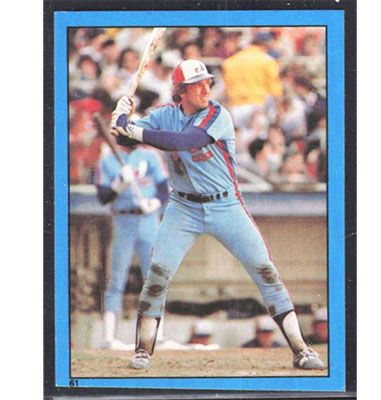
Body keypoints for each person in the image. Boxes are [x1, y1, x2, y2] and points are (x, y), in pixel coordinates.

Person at [110, 59, 324, 370]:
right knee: (157, 274)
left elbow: (186, 141)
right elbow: (125, 139)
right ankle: (142, 350)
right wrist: (121, 118)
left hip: (225, 205)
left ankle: (301, 349)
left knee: (265, 270)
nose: (205, 88)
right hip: (183, 207)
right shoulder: (164, 115)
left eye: (207, 82)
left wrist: (131, 127)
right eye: (197, 85)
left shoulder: (217, 114)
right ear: (181, 91)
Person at [95, 142, 169, 350]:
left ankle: (156, 336)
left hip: (148, 220)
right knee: (116, 279)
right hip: (123, 220)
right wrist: (118, 184)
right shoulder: (107, 159)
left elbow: (164, 189)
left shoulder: (150, 156)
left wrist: (154, 203)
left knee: (154, 278)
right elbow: (102, 197)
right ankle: (109, 337)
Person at [222, 31, 283, 130]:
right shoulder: (267, 61)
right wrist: (279, 111)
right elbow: (276, 90)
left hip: (236, 108)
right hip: (257, 107)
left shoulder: (231, 61)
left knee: (239, 139)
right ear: (265, 44)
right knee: (259, 139)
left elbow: (227, 91)